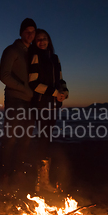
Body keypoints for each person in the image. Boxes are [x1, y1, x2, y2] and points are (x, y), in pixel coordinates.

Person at [28, 29, 68, 192]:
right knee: (43, 140)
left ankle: (43, 180)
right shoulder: (35, 57)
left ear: (49, 40)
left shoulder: (55, 58)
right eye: (38, 39)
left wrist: (64, 92)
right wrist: (54, 92)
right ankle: (40, 182)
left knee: (47, 139)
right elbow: (33, 83)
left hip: (53, 105)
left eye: (44, 39)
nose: (42, 41)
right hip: (40, 104)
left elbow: (61, 79)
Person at [0, 18, 36, 190]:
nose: (30, 34)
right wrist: (24, 89)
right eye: (27, 31)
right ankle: (4, 175)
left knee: (26, 139)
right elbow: (4, 76)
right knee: (11, 139)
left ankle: (18, 173)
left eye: (33, 32)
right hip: (15, 100)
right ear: (21, 32)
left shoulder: (33, 53)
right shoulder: (11, 50)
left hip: (30, 103)